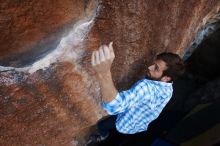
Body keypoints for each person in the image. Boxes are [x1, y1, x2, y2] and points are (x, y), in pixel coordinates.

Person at [87, 42, 185, 144]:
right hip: (140, 124)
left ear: (166, 78)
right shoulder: (169, 88)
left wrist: (104, 72)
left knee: (102, 125)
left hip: (126, 123)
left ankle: (103, 136)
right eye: (154, 64)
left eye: (156, 68)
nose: (150, 67)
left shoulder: (146, 88)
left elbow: (114, 107)